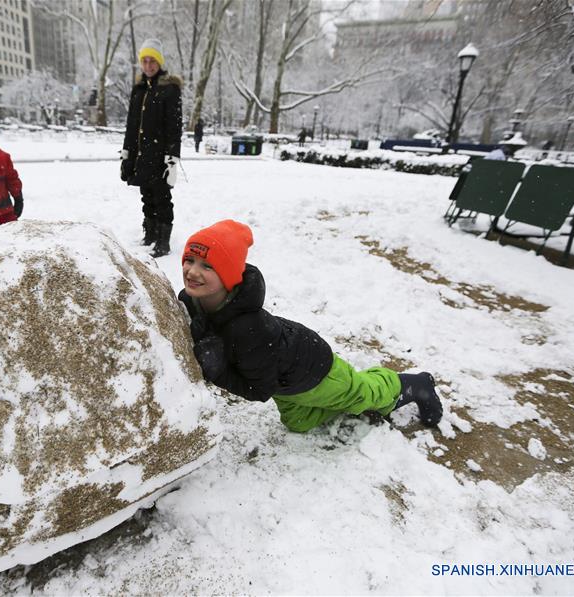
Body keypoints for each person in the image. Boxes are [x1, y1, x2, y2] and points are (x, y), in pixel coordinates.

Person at [178, 219, 444, 433]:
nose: (192, 271)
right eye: (189, 260)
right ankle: (350, 404)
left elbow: (259, 391)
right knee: (299, 424)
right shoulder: (191, 300)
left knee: (366, 393)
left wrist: (218, 370)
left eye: (207, 265)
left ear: (229, 274)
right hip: (282, 380)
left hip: (316, 372)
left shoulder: (248, 329)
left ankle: (414, 384)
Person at [120, 38, 183, 258]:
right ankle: (150, 234)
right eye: (145, 61)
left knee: (162, 197)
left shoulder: (169, 89)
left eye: (152, 61)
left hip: (159, 156)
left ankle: (163, 242)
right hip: (141, 155)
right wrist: (126, 155)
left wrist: (172, 158)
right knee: (146, 195)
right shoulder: (138, 89)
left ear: (159, 62)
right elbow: (131, 125)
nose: (148, 65)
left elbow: (174, 127)